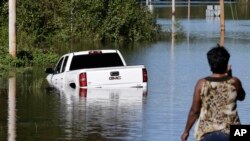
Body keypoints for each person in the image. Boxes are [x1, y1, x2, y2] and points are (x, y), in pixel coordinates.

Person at [181, 46, 246, 141]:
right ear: (227, 63)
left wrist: (186, 131)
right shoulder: (235, 82)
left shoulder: (201, 84)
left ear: (210, 64)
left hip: (208, 131)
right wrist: (231, 76)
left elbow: (194, 111)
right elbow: (242, 97)